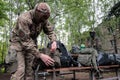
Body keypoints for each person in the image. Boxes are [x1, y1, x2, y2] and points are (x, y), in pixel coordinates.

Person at [8, 2, 59, 80]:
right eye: (41, 18)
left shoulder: (44, 19)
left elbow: (50, 31)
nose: (43, 21)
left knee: (30, 72)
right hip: (18, 46)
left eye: (45, 18)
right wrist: (40, 55)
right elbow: (25, 41)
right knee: (19, 72)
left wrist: (54, 41)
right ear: (36, 13)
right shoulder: (24, 19)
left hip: (31, 47)